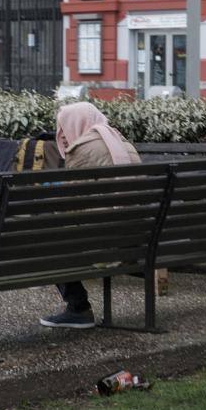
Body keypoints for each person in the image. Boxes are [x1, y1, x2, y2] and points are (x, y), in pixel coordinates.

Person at [39, 101, 141, 329]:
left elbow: (72, 206)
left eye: (63, 128)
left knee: (48, 235)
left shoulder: (82, 150)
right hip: (137, 244)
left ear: (77, 124)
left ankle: (78, 308)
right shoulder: (125, 145)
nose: (62, 136)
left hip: (103, 247)